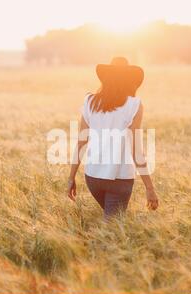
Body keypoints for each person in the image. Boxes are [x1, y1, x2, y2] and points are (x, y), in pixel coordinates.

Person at [67, 57, 158, 218]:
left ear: (105, 79)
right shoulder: (134, 105)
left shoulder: (90, 101)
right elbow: (136, 149)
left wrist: (71, 178)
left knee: (113, 222)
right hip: (120, 179)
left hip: (93, 177)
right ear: (131, 81)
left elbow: (81, 142)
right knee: (112, 229)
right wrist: (149, 188)